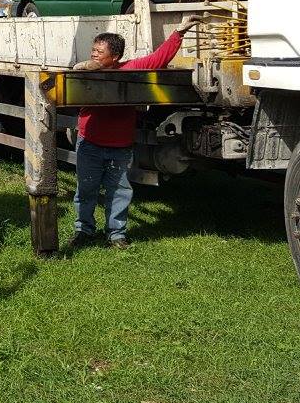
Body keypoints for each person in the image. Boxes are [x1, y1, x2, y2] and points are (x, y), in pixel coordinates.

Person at [69, 14, 202, 250]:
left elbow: (158, 58)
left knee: (119, 190)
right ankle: (84, 231)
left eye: (100, 51)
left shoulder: (130, 70)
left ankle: (116, 235)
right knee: (86, 189)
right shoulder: (85, 71)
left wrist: (179, 32)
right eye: (93, 50)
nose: (94, 54)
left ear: (116, 56)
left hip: (120, 146)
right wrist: (84, 67)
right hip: (89, 143)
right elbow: (69, 77)